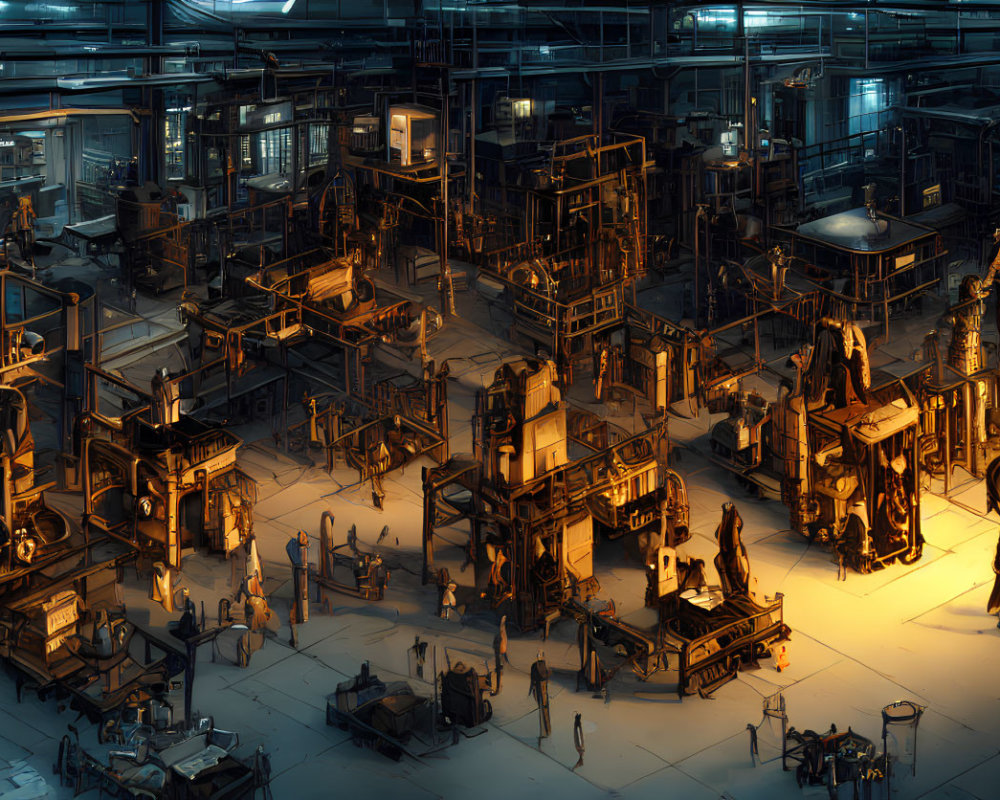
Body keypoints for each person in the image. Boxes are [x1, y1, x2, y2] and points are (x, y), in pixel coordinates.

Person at [529, 654, 551, 745]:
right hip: (542, 691)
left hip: (541, 691)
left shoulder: (536, 666)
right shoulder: (538, 666)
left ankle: (545, 731)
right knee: (543, 710)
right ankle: (546, 730)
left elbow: (535, 679)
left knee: (543, 710)